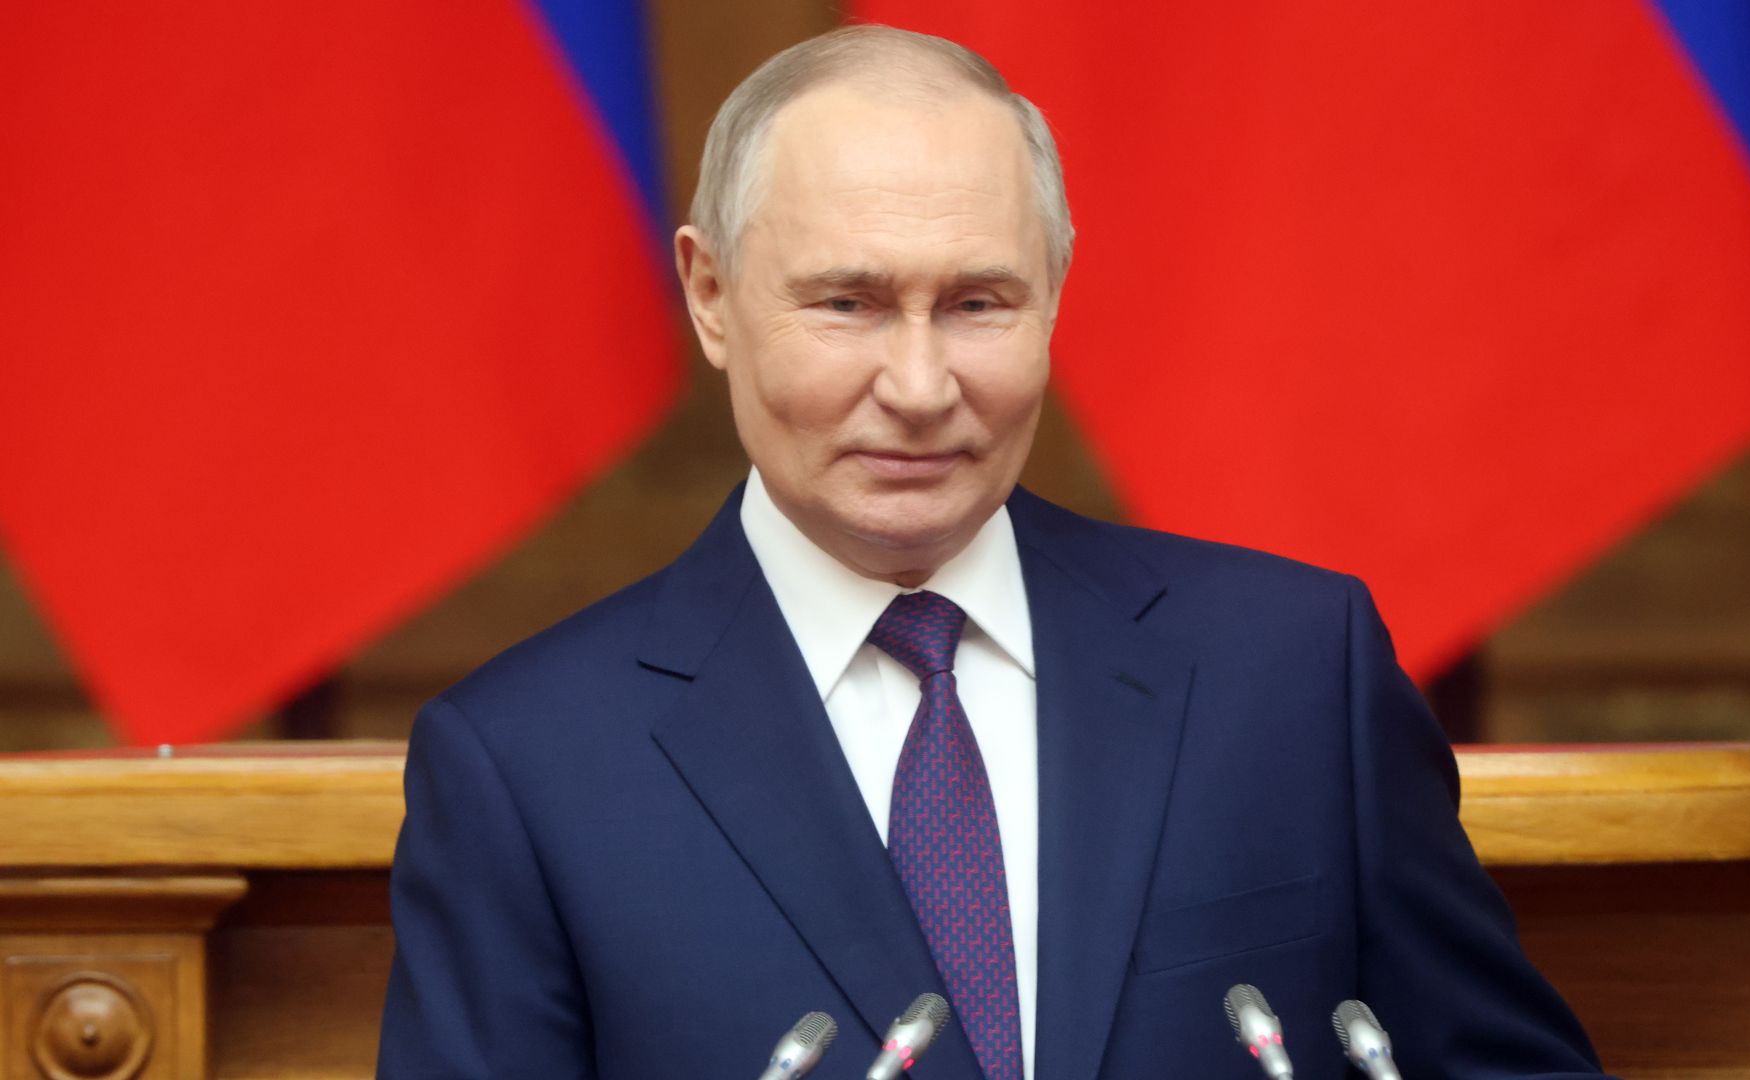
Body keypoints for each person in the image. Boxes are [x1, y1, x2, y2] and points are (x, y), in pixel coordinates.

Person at [378, 24, 1608, 1080]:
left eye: (978, 304)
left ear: (1056, 291)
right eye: (847, 303)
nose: (919, 386)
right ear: (711, 293)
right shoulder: (525, 769)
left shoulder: (1294, 674)